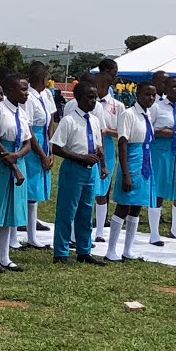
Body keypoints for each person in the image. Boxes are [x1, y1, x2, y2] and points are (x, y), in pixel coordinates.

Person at [0, 74, 33, 273]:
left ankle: (5, 256)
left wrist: (18, 156)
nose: (27, 94)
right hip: (0, 160)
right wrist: (12, 162)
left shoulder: (22, 112)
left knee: (10, 209)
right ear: (10, 91)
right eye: (23, 90)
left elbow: (28, 140)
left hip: (16, 157)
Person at [50, 77, 107, 265]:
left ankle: (84, 249)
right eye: (90, 97)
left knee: (86, 211)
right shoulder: (69, 120)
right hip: (74, 169)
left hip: (91, 170)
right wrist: (81, 157)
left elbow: (98, 144)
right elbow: (56, 147)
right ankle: (61, 251)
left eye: (96, 98)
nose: (93, 101)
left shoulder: (95, 120)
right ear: (78, 97)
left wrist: (101, 161)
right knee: (67, 210)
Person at [107, 81, 157, 262]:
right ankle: (111, 249)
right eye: (146, 94)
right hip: (133, 161)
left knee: (137, 206)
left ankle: (128, 249)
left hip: (145, 161)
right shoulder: (128, 114)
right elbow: (123, 142)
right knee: (124, 205)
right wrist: (126, 173)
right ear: (137, 94)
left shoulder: (148, 115)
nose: (150, 98)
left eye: (153, 95)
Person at [149, 77, 176, 246]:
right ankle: (154, 233)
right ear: (165, 88)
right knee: (158, 189)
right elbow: (147, 128)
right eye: (173, 86)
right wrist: (161, 132)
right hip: (161, 149)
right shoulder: (156, 107)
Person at [90, 59, 123, 244]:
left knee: (103, 189)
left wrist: (106, 131)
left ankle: (101, 229)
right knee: (90, 187)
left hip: (107, 145)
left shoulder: (116, 105)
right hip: (89, 144)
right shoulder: (89, 100)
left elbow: (122, 132)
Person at [24, 61, 55, 248]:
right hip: (33, 145)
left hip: (44, 141)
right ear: (43, 79)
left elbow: (50, 119)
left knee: (35, 190)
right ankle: (27, 233)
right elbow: (29, 128)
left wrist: (50, 148)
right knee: (29, 189)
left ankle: (32, 232)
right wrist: (42, 153)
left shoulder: (46, 95)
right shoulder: (29, 98)